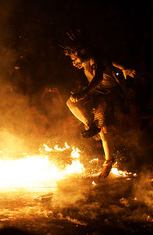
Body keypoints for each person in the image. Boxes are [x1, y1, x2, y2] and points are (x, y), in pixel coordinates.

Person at [61, 30, 136, 179]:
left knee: (104, 128)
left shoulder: (95, 57)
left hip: (109, 94)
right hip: (95, 92)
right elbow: (111, 60)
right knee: (71, 102)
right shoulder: (88, 56)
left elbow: (99, 77)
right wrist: (122, 67)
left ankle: (109, 161)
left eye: (73, 56)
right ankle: (90, 123)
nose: (73, 61)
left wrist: (84, 92)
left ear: (79, 51)